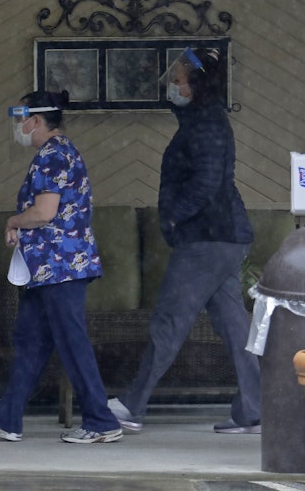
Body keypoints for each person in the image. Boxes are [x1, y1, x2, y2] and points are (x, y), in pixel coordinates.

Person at [107, 47, 262, 434]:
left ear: (195, 85)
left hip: (207, 239)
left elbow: (207, 183)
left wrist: (175, 215)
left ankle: (131, 406)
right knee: (234, 328)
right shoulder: (201, 121)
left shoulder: (206, 124)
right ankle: (255, 410)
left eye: (177, 81)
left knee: (169, 320)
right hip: (223, 238)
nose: (171, 88)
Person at [0, 90, 122, 444]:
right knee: (31, 340)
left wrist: (14, 221)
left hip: (60, 266)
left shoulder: (53, 156)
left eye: (21, 120)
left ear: (35, 120)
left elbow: (44, 213)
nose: (18, 127)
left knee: (71, 340)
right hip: (48, 267)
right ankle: (7, 417)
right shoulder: (58, 153)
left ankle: (100, 420)